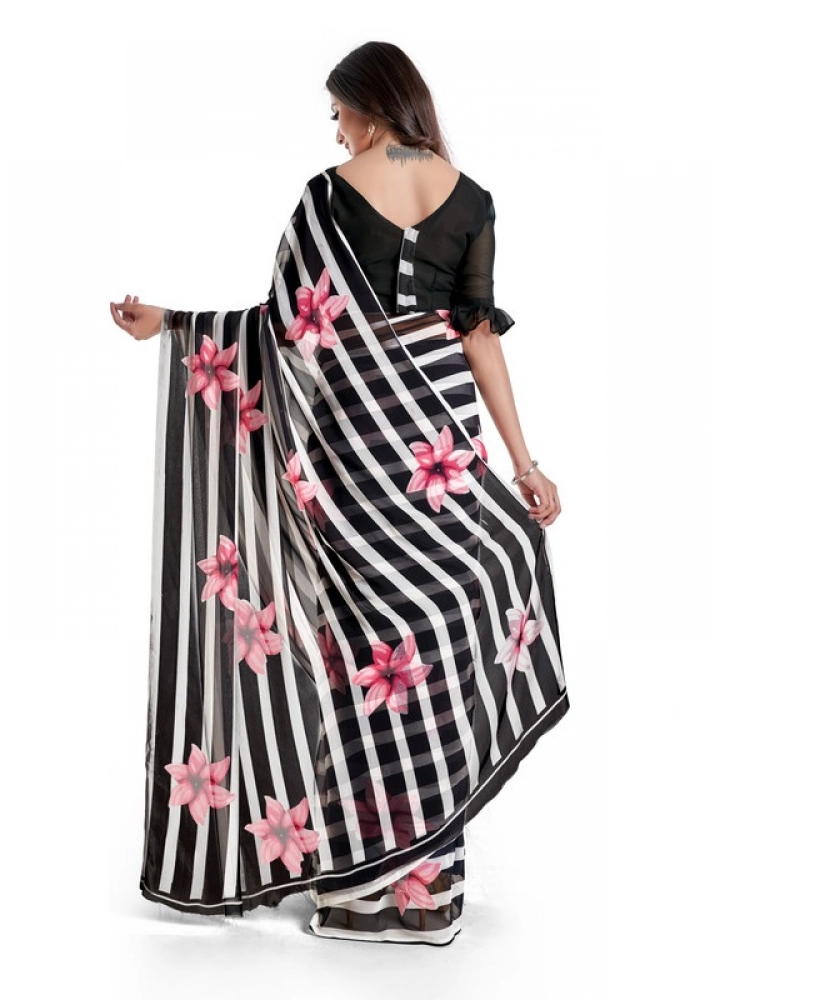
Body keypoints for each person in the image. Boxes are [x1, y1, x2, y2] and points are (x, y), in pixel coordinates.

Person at [109, 40, 570, 946]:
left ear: (369, 105)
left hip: (354, 451)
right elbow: (478, 338)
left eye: (338, 114)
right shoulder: (472, 199)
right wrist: (524, 465)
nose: (336, 132)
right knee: (430, 648)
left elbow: (281, 330)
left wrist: (175, 325)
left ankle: (364, 888)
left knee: (365, 651)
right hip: (440, 449)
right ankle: (427, 889)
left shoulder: (326, 197)